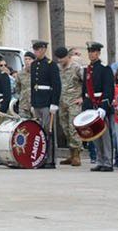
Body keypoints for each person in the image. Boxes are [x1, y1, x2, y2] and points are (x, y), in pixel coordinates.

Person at [82, 41, 115, 172]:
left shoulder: (104, 68)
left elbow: (108, 89)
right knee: (95, 135)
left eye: (94, 51)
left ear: (98, 53)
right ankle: (100, 160)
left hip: (101, 104)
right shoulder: (88, 69)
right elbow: (85, 89)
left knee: (105, 135)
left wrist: (104, 107)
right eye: (89, 52)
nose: (91, 54)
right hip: (91, 104)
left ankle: (108, 161)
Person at [29, 40, 60, 169]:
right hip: (37, 101)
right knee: (38, 131)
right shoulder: (34, 64)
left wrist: (54, 103)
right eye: (35, 50)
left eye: (39, 49)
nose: (36, 52)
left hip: (47, 101)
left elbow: (56, 85)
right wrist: (32, 102)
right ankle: (40, 157)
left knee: (49, 131)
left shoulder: (51, 64)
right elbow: (32, 85)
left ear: (44, 50)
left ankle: (50, 159)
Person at [55, 46, 84, 166]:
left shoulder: (76, 68)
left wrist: (83, 97)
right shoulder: (58, 68)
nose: (60, 61)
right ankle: (71, 153)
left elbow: (85, 83)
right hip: (62, 102)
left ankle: (77, 154)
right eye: (59, 59)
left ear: (68, 56)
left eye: (62, 58)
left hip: (74, 102)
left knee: (73, 128)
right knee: (65, 127)